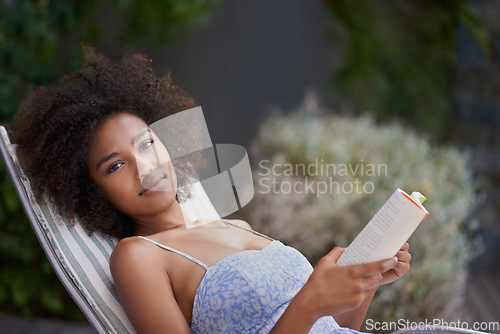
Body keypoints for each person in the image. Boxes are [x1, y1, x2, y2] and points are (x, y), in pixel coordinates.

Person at [12, 48, 411, 334]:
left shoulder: (236, 226)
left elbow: (332, 327)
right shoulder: (138, 256)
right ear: (92, 190)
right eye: (115, 166)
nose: (144, 167)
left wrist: (364, 283)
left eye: (147, 143)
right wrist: (310, 302)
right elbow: (306, 317)